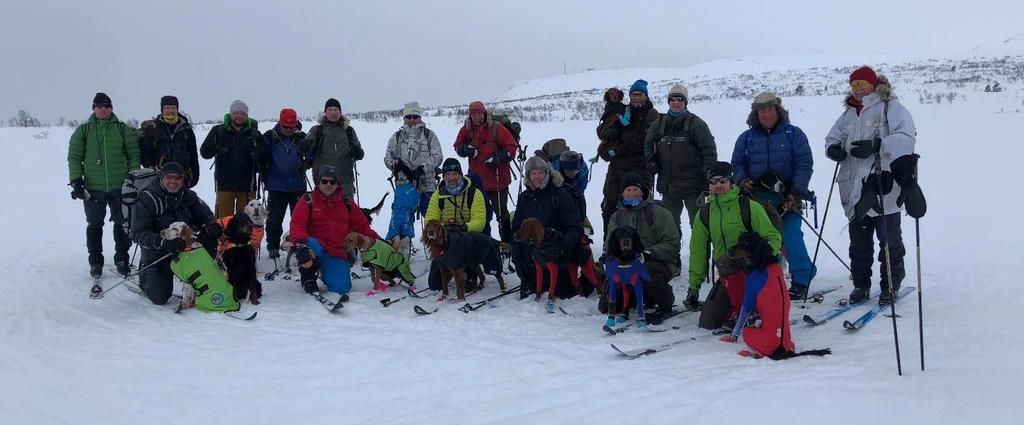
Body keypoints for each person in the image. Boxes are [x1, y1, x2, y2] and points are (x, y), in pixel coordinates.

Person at [825, 65, 917, 305]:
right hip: (854, 188)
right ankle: (861, 285)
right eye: (854, 85)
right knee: (859, 243)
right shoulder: (848, 115)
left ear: (873, 84)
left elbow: (907, 138)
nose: (857, 90)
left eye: (862, 84)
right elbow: (831, 137)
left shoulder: (890, 107)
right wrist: (833, 149)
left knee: (889, 241)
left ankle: (890, 286)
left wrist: (878, 146)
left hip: (882, 184)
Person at [731, 91, 815, 299]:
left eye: (770, 109)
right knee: (763, 239)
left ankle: (802, 278)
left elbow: (804, 164)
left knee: (791, 236)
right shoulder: (746, 138)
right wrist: (742, 180)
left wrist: (796, 192)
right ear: (755, 114)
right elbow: (737, 163)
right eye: (761, 111)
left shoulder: (794, 134)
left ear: (778, 110)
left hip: (787, 197)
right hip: (756, 198)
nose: (766, 114)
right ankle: (770, 276)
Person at [686, 162, 782, 323]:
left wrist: (759, 259)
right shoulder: (704, 213)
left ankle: (750, 310)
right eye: (713, 181)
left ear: (731, 182)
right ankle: (741, 308)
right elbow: (698, 251)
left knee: (725, 260)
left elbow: (774, 237)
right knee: (708, 322)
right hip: (727, 273)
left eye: (723, 180)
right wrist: (693, 288)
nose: (718, 185)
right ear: (708, 185)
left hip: (754, 270)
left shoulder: (749, 206)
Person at [67, 92, 141, 279]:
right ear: (93, 108)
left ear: (112, 108)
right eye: (99, 106)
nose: (103, 109)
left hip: (120, 186)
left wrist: (133, 179)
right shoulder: (83, 131)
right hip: (93, 188)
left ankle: (121, 258)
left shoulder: (123, 130)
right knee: (94, 224)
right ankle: (95, 262)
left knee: (122, 224)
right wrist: (76, 181)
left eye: (107, 106)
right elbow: (74, 158)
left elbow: (133, 156)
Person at [129, 162, 221, 305]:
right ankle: (146, 275)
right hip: (159, 252)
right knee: (159, 298)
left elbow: (206, 214)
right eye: (169, 177)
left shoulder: (189, 196)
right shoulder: (148, 199)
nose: (173, 182)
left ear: (182, 180)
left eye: (177, 178)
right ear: (161, 178)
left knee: (210, 236)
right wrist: (162, 242)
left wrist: (211, 224)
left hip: (187, 250)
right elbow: (137, 233)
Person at [290, 165, 380, 297]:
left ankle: (326, 273)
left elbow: (363, 228)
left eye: (332, 182)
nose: (328, 185)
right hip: (315, 248)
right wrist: (301, 244)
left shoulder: (347, 203)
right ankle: (308, 277)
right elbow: (297, 226)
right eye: (324, 181)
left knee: (342, 288)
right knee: (309, 245)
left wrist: (382, 243)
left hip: (336, 252)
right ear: (318, 182)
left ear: (337, 184)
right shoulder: (307, 200)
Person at [604, 171, 678, 322]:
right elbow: (609, 245)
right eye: (628, 190)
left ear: (643, 191)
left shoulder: (659, 213)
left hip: (656, 263)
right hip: (624, 265)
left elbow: (672, 244)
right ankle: (637, 298)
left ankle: (665, 302)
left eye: (636, 189)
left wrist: (649, 253)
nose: (632, 193)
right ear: (623, 194)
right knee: (606, 306)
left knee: (645, 269)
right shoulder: (617, 217)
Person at [510, 156, 586, 300]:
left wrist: (561, 249)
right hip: (533, 259)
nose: (536, 177)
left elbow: (574, 227)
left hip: (557, 258)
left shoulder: (560, 194)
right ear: (528, 176)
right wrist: (518, 261)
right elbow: (516, 231)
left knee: (562, 293)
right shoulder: (525, 197)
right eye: (533, 173)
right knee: (531, 292)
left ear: (547, 173)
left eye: (540, 173)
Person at [644, 83, 717, 227]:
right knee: (669, 225)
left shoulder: (697, 124)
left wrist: (707, 177)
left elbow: (709, 152)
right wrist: (651, 161)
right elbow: (648, 145)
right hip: (668, 185)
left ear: (685, 102)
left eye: (680, 100)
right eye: (673, 100)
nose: (676, 103)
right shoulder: (658, 125)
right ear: (668, 102)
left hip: (694, 187)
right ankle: (671, 250)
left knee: (700, 225)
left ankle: (700, 250)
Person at [597, 80, 660, 233]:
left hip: (639, 167)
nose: (636, 98)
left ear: (645, 96)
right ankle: (609, 244)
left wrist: (618, 150)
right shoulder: (624, 112)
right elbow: (604, 130)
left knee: (641, 206)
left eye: (640, 95)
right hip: (616, 167)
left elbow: (644, 141)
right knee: (609, 205)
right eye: (634, 95)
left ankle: (643, 244)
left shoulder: (652, 114)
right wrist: (606, 146)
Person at [453, 100, 519, 243]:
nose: (477, 117)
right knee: (480, 215)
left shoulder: (496, 128)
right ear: (470, 115)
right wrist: (466, 150)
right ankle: (485, 243)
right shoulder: (467, 129)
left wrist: (498, 158)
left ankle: (507, 242)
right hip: (477, 182)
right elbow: (457, 146)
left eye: (479, 114)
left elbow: (511, 148)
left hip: (498, 181)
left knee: (501, 213)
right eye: (473, 114)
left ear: (484, 113)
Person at [423, 158, 487, 291]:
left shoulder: (474, 193)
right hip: (444, 242)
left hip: (467, 242)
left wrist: (463, 227)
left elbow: (480, 221)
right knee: (435, 285)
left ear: (461, 174)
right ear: (444, 177)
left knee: (468, 286)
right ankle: (449, 270)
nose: (451, 178)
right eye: (448, 174)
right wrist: (445, 227)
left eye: (455, 174)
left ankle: (471, 269)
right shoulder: (437, 195)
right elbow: (429, 221)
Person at [199, 99, 269, 218]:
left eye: (243, 114)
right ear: (231, 114)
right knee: (223, 221)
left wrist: (259, 153)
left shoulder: (254, 133)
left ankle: (246, 238)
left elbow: (266, 152)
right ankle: (223, 238)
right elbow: (204, 152)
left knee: (248, 220)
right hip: (224, 184)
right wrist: (217, 148)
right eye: (236, 113)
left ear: (247, 116)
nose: (239, 116)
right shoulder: (218, 131)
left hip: (247, 185)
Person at [262, 108, 308, 259]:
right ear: (280, 123)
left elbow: (312, 154)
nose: (288, 129)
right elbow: (261, 156)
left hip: (297, 184)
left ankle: (299, 243)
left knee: (299, 218)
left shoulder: (302, 137)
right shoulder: (269, 136)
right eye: (285, 126)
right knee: (275, 218)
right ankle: (273, 246)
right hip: (276, 184)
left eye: (291, 126)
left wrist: (306, 163)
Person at [385, 101, 444, 216]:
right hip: (404, 184)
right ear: (404, 118)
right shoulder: (396, 137)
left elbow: (438, 156)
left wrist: (422, 169)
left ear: (420, 117)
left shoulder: (429, 135)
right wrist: (396, 166)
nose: (412, 119)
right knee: (403, 218)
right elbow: (388, 158)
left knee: (430, 217)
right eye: (408, 116)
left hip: (427, 184)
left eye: (415, 116)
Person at [302, 98, 364, 199]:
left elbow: (359, 153)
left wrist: (357, 152)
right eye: (330, 110)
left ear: (340, 112)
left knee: (346, 212)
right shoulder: (317, 130)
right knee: (322, 213)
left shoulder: (349, 131)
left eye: (336, 110)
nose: (333, 112)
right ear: (325, 112)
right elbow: (306, 150)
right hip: (323, 182)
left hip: (345, 181)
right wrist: (305, 146)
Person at [137, 95, 200, 187]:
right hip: (159, 178)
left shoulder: (186, 129)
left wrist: (195, 175)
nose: (170, 111)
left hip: (182, 177)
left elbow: (193, 154)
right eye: (167, 108)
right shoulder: (152, 129)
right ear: (162, 109)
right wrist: (153, 169)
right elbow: (144, 154)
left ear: (177, 109)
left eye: (173, 108)